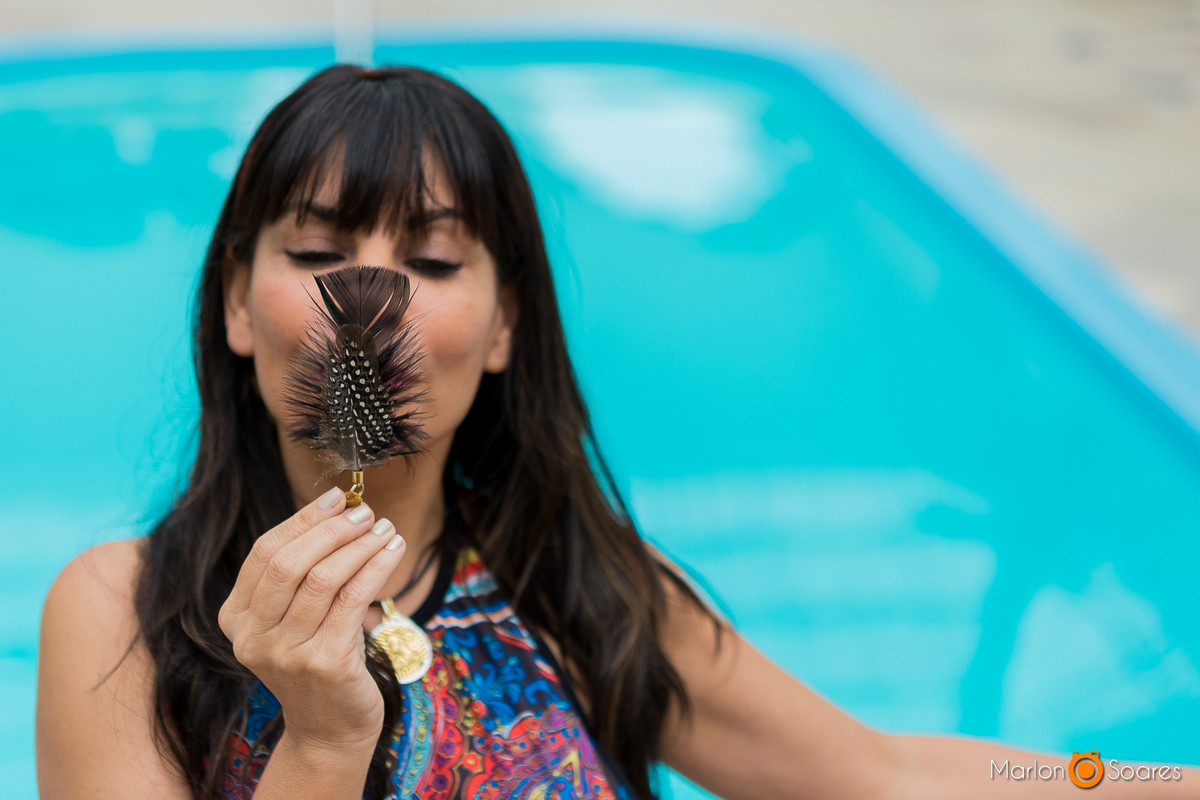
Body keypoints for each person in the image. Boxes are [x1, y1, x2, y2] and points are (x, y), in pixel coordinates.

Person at [35, 64, 1196, 800]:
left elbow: (883, 772)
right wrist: (328, 738)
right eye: (317, 251)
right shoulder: (122, 613)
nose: (371, 303)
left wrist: (1146, 778)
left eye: (432, 259)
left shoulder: (577, 585)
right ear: (236, 304)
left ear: (505, 326)